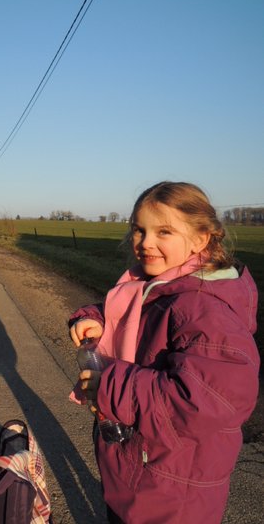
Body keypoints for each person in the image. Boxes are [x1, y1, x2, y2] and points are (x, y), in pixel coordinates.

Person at [68, 181, 260, 524]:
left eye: (164, 231)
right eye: (139, 230)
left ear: (201, 239)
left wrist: (108, 384)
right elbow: (133, 316)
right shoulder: (158, 286)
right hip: (142, 468)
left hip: (174, 489)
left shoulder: (204, 307)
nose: (146, 243)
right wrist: (94, 318)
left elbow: (209, 400)